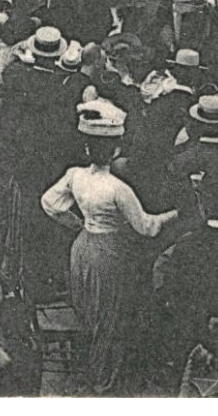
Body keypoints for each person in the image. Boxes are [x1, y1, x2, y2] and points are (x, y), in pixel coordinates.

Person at [40, 98, 178, 393]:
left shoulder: (75, 175)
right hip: (110, 253)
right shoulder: (118, 188)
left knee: (87, 308)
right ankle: (103, 380)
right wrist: (174, 215)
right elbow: (147, 227)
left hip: (83, 245)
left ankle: (87, 366)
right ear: (115, 149)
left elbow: (49, 203)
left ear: (88, 148)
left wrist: (75, 224)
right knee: (110, 316)